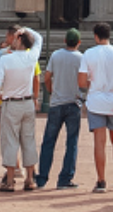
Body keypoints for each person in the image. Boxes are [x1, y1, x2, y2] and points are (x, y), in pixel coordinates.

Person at [0, 26, 45, 192]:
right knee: (28, 139)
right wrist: (25, 29)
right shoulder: (31, 57)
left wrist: (2, 95)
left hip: (11, 102)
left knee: (10, 140)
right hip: (27, 102)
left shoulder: (6, 59)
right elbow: (39, 39)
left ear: (19, 40)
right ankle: (29, 178)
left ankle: (10, 179)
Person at [79, 22, 113, 194]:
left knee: (99, 143)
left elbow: (81, 82)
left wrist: (94, 84)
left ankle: (101, 181)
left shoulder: (88, 54)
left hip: (96, 101)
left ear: (96, 36)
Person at [35, 29, 85, 189]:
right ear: (79, 42)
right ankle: (65, 178)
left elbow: (47, 77)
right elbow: (84, 80)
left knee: (48, 141)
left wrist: (51, 91)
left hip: (56, 103)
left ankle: (42, 178)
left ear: (64, 40)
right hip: (73, 102)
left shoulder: (56, 55)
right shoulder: (81, 58)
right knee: (72, 142)